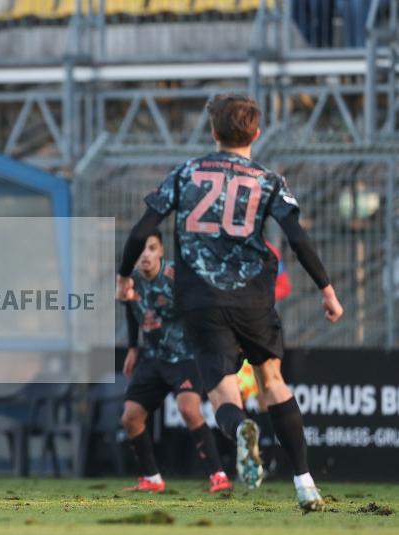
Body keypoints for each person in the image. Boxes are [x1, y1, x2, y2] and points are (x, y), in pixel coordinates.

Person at [117, 93, 344, 512]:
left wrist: (124, 273)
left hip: (201, 301)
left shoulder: (186, 173)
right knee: (272, 382)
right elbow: (297, 238)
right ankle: (305, 483)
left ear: (213, 131)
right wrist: (326, 289)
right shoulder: (268, 180)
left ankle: (240, 430)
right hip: (254, 298)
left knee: (223, 392)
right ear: (256, 133)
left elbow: (140, 230)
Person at [120, 231, 232, 494]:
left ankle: (219, 475)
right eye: (141, 250)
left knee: (188, 410)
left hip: (185, 356)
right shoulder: (130, 281)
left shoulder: (176, 276)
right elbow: (129, 308)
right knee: (130, 418)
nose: (145, 254)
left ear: (161, 252)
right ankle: (152, 478)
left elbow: (203, 305)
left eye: (151, 248)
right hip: (154, 356)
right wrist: (133, 347)